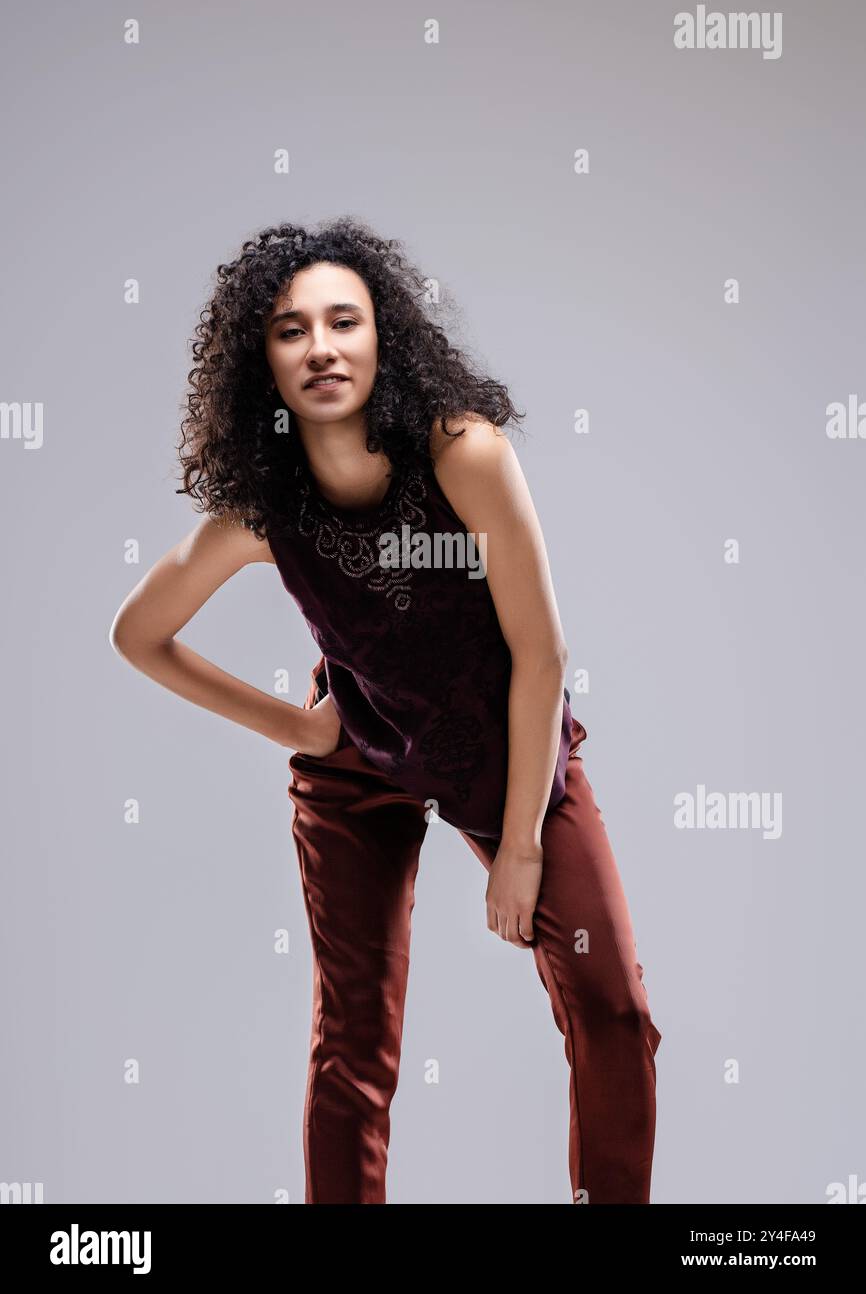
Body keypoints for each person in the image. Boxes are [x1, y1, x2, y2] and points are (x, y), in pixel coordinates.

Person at [109, 215, 662, 1205]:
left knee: (610, 1007)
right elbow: (138, 633)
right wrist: (298, 726)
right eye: (290, 330)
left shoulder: (462, 452)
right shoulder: (260, 509)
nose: (320, 346)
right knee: (352, 1040)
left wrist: (524, 848)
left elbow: (540, 655)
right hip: (358, 753)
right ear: (261, 364)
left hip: (502, 750)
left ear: (384, 339)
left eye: (343, 322)